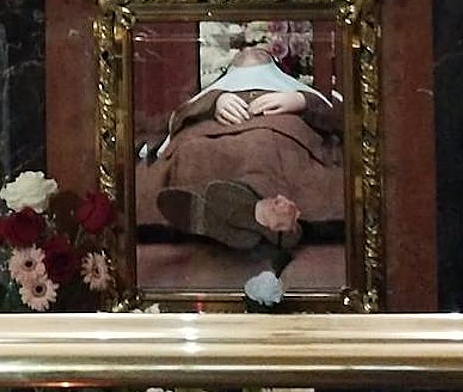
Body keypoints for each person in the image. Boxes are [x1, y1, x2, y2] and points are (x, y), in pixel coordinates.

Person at [143, 46, 343, 250]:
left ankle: (225, 210)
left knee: (261, 148)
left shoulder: (292, 92)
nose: (248, 49)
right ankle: (264, 219)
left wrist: (301, 100)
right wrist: (214, 101)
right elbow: (176, 119)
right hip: (206, 137)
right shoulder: (211, 95)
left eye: (258, 52)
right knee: (195, 151)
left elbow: (336, 117)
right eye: (244, 52)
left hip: (273, 136)